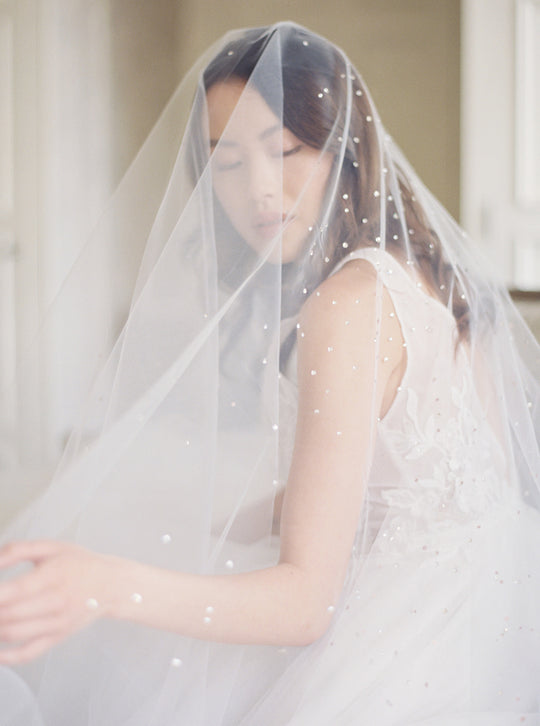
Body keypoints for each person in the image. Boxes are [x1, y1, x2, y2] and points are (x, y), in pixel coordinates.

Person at [0, 21, 539, 725]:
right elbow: (407, 486)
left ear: (345, 149)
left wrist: (108, 583)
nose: (257, 189)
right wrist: (221, 524)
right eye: (225, 163)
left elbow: (304, 604)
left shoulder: (345, 308)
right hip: (504, 609)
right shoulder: (432, 274)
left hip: (412, 647)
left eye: (283, 151)